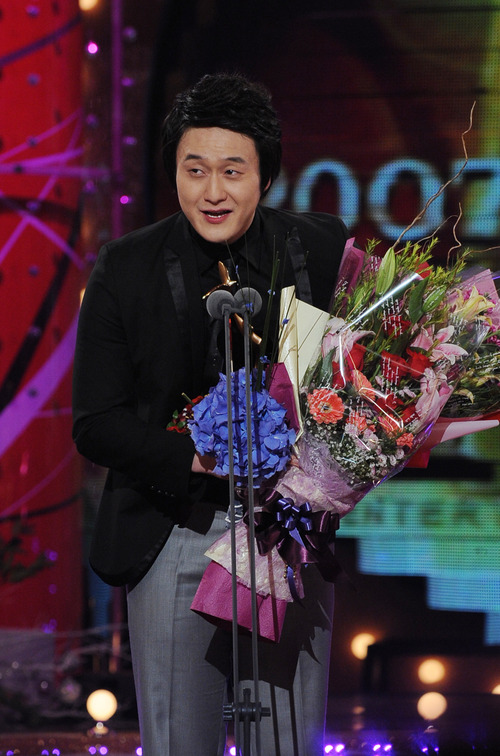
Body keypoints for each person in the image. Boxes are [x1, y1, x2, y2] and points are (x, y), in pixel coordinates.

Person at [72, 72, 348, 755]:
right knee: (178, 741)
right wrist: (199, 458)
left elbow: (347, 384)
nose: (212, 191)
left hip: (287, 529)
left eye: (232, 171)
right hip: (172, 526)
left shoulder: (316, 249)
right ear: (174, 172)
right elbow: (95, 422)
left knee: (286, 743)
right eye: (194, 170)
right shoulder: (126, 266)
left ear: (266, 177)